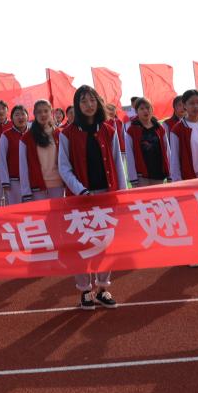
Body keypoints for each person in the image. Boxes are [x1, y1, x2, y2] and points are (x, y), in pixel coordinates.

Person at [58, 85, 126, 310]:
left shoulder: (109, 130)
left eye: (92, 100)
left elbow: (117, 163)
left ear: (98, 102)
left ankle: (103, 288)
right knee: (81, 244)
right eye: (83, 101)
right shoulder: (67, 133)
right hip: (81, 199)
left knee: (105, 244)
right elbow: (64, 168)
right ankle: (85, 290)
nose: (88, 105)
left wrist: (121, 193)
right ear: (77, 105)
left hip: (106, 196)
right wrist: (80, 190)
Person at [19, 100, 64, 202]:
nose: (43, 114)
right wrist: (26, 192)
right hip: (37, 188)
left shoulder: (59, 134)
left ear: (51, 112)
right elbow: (23, 167)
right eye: (39, 112)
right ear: (34, 114)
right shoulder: (26, 138)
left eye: (46, 111)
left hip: (58, 185)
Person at [123, 97, 170, 187]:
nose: (145, 111)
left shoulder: (159, 128)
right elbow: (129, 155)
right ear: (136, 112)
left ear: (152, 109)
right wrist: (133, 178)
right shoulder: (132, 130)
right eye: (142, 108)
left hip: (158, 173)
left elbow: (167, 151)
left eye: (148, 108)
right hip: (141, 176)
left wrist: (169, 173)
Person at [0, 105, 29, 205]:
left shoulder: (32, 134)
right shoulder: (6, 135)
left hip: (31, 180)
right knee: (16, 209)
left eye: (23, 114)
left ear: (27, 117)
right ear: (11, 119)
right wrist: (5, 180)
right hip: (14, 180)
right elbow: (2, 159)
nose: (20, 117)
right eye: (17, 115)